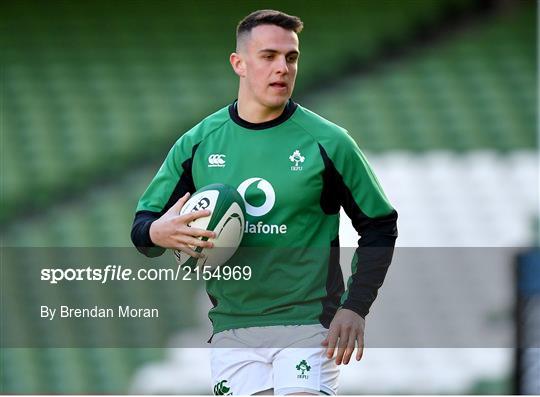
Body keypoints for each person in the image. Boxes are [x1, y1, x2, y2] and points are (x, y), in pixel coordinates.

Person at [131, 9, 398, 395]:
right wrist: (159, 231)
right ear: (238, 63)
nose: (283, 68)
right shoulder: (198, 143)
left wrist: (355, 306)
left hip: (307, 325)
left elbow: (379, 224)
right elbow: (143, 229)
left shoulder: (329, 142)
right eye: (269, 56)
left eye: (291, 58)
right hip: (232, 329)